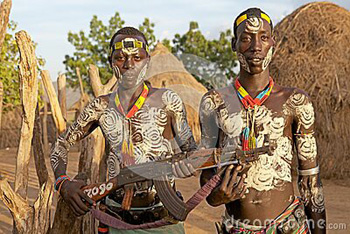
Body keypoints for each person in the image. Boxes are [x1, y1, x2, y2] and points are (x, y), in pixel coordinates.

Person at [50, 26, 197, 234]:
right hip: (115, 217)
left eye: (137, 57)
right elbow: (60, 144)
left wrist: (188, 164)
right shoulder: (100, 107)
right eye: (120, 58)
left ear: (147, 61)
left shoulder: (167, 100)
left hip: (164, 218)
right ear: (111, 62)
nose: (129, 65)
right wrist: (63, 184)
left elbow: (192, 151)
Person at [199, 8, 326, 234]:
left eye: (263, 37)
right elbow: (206, 174)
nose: (256, 46)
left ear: (272, 43)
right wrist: (216, 196)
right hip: (236, 228)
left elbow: (310, 183)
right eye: (246, 38)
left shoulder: (295, 102)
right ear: (234, 44)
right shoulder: (213, 103)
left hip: (288, 227)